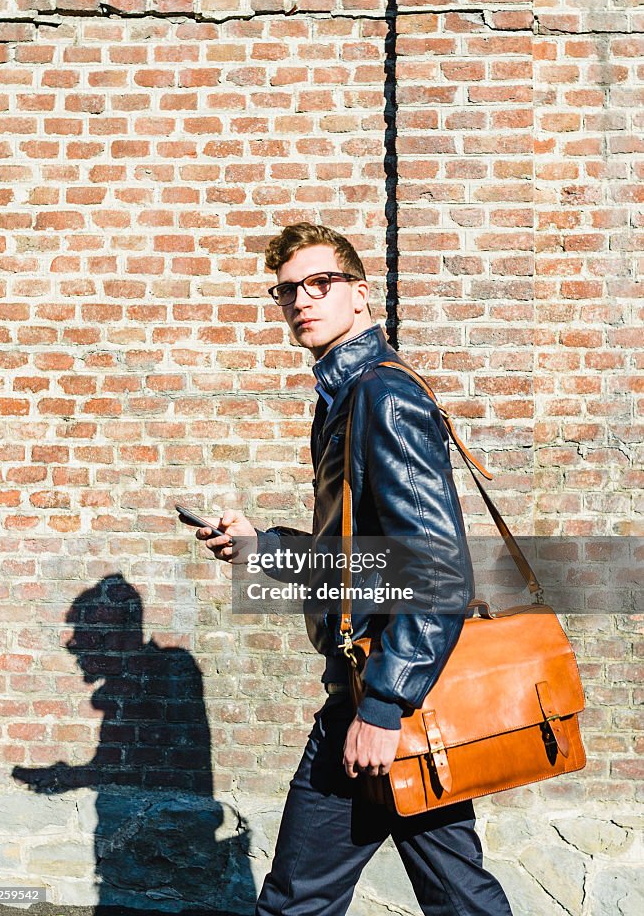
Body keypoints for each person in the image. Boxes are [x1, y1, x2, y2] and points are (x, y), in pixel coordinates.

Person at [197, 223, 513, 916]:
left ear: (359, 295)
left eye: (320, 284)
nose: (301, 301)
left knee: (296, 901)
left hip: (379, 694)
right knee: (458, 895)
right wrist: (264, 547)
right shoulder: (345, 394)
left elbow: (434, 568)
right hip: (388, 692)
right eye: (287, 290)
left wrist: (381, 706)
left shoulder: (381, 397)